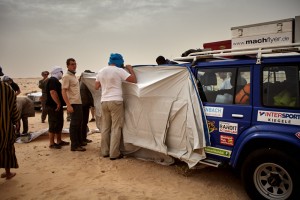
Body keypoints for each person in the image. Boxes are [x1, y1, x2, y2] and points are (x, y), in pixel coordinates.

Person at [95, 53, 137, 160]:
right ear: (119, 61)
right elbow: (133, 80)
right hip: (116, 101)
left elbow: (96, 86)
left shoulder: (101, 71)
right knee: (116, 128)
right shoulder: (118, 70)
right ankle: (114, 153)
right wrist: (130, 69)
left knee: (105, 127)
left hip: (104, 101)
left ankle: (104, 151)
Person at [62, 58, 86, 152]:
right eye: (72, 64)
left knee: (79, 123)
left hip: (78, 102)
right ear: (67, 66)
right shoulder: (66, 76)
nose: (74, 65)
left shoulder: (73, 76)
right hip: (73, 103)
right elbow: (63, 91)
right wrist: (68, 105)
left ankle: (79, 142)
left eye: (75, 64)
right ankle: (74, 145)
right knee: (74, 124)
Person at [0, 80, 21, 180]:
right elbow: (13, 107)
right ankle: (8, 173)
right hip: (4, 126)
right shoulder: (6, 88)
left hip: (5, 125)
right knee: (7, 148)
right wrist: (16, 120)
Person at [46, 66, 69, 149]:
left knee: (59, 123)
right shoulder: (52, 80)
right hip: (53, 106)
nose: (62, 74)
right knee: (53, 124)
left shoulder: (56, 81)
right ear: (57, 72)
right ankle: (52, 143)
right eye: (61, 72)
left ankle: (59, 141)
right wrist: (58, 103)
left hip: (56, 106)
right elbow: (52, 92)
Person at [79, 73, 93, 144]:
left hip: (83, 105)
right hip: (84, 105)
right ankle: (82, 139)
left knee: (84, 122)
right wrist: (92, 103)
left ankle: (83, 138)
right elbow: (86, 96)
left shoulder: (82, 82)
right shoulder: (85, 84)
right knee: (83, 122)